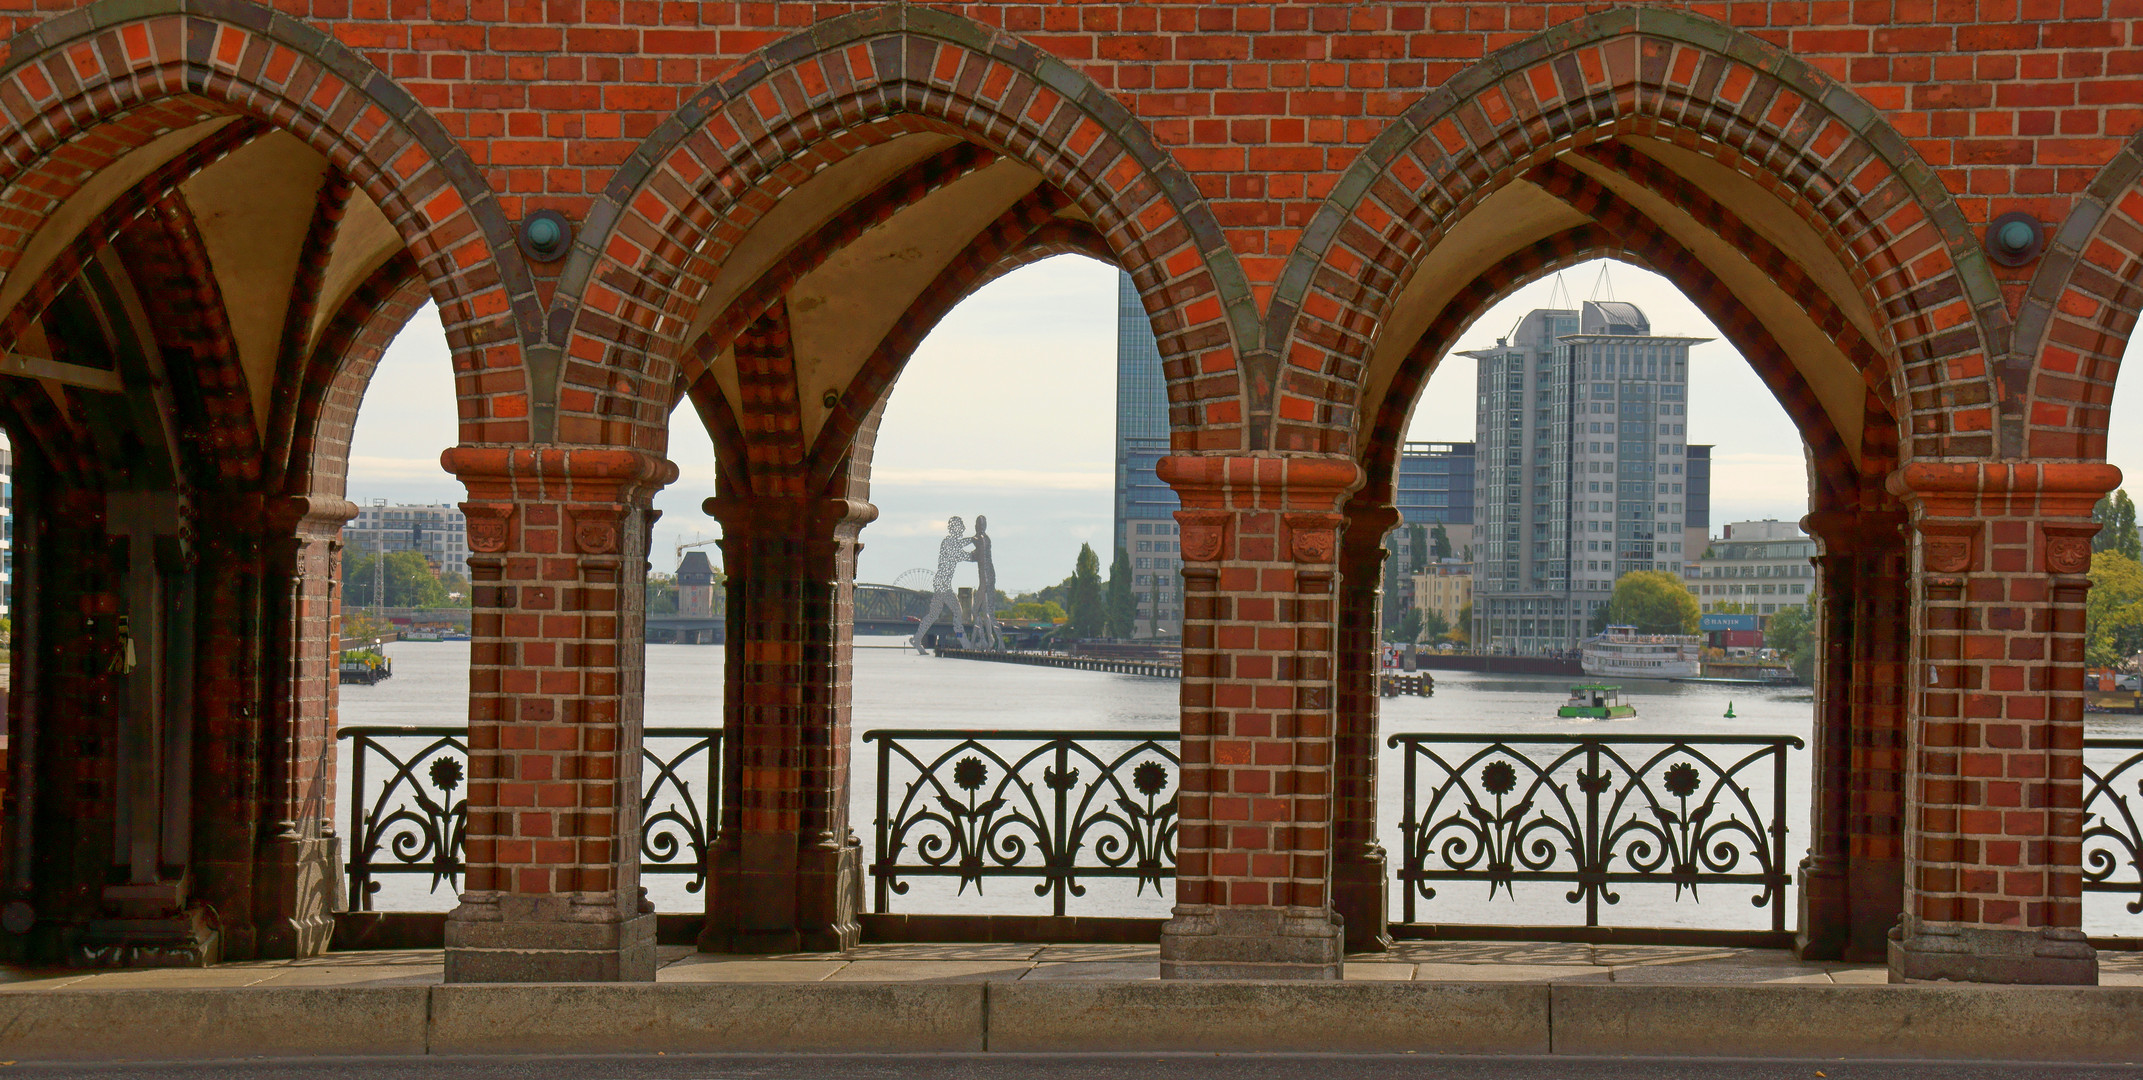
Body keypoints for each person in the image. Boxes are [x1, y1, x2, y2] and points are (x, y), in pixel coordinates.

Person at [911, 517, 972, 654]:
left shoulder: (952, 543)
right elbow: (962, 554)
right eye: (960, 527)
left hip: (941, 583)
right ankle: (965, 643)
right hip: (943, 585)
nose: (962, 529)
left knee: (933, 615)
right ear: (955, 528)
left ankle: (917, 638)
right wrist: (975, 544)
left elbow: (961, 546)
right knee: (957, 613)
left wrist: (973, 541)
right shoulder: (948, 542)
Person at [970, 515, 1001, 651]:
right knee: (986, 613)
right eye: (978, 524)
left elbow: (977, 553)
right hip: (989, 578)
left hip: (985, 580)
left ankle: (985, 639)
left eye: (980, 524)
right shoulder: (986, 540)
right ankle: (995, 641)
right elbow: (976, 557)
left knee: (975, 610)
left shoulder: (980, 540)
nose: (978, 527)